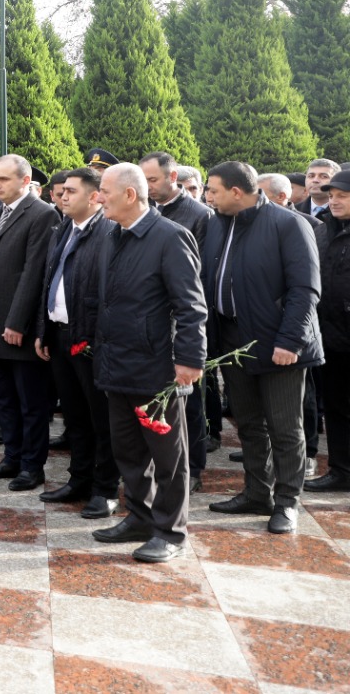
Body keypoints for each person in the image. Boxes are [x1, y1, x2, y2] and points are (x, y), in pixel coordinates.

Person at [89, 163, 206, 563]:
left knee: (168, 457)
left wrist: (189, 359)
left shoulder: (171, 237)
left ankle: (170, 532)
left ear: (130, 195)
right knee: (129, 451)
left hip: (155, 366)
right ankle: (139, 517)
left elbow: (191, 307)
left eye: (104, 190)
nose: (98, 197)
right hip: (116, 363)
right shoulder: (110, 234)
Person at [202, 161, 323, 535]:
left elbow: (305, 290)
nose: (207, 197)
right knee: (249, 424)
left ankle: (287, 502)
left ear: (237, 192)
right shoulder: (217, 223)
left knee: (285, 428)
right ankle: (258, 492)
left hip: (279, 344)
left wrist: (289, 341)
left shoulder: (288, 224)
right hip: (233, 341)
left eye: (213, 191)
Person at [33, 167, 119, 519]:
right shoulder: (63, 228)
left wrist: (96, 339)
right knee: (74, 417)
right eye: (61, 191)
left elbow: (109, 293)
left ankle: (105, 488)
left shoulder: (109, 232)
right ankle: (78, 480)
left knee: (102, 419)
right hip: (61, 334)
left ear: (94, 196)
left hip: (91, 340)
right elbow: (48, 281)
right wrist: (43, 328)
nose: (62, 196)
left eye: (70, 191)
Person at [0, 155, 58, 493]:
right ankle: (11, 456)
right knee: (4, 399)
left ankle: (31, 466)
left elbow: (33, 273)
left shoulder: (42, 214)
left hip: (17, 328)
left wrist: (17, 322)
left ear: (25, 181)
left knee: (30, 402)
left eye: (4, 179)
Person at [142, 151, 216, 482]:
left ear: (173, 178)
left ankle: (194, 468)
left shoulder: (199, 215)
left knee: (189, 402)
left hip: (181, 321)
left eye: (152, 180)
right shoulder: (146, 210)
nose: (147, 187)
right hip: (149, 322)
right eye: (142, 180)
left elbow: (199, 277)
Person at [308, 168, 350, 493]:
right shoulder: (322, 231)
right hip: (331, 337)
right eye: (332, 195)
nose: (334, 201)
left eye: (342, 196)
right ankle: (341, 469)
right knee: (335, 407)